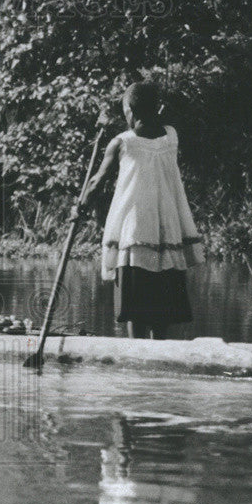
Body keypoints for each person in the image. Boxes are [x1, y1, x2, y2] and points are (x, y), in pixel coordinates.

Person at [72, 81, 204, 339]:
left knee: (135, 308)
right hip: (167, 229)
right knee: (161, 306)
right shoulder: (171, 136)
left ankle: (138, 354)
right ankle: (157, 351)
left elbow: (98, 181)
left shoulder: (122, 143)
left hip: (134, 231)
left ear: (130, 111)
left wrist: (80, 207)